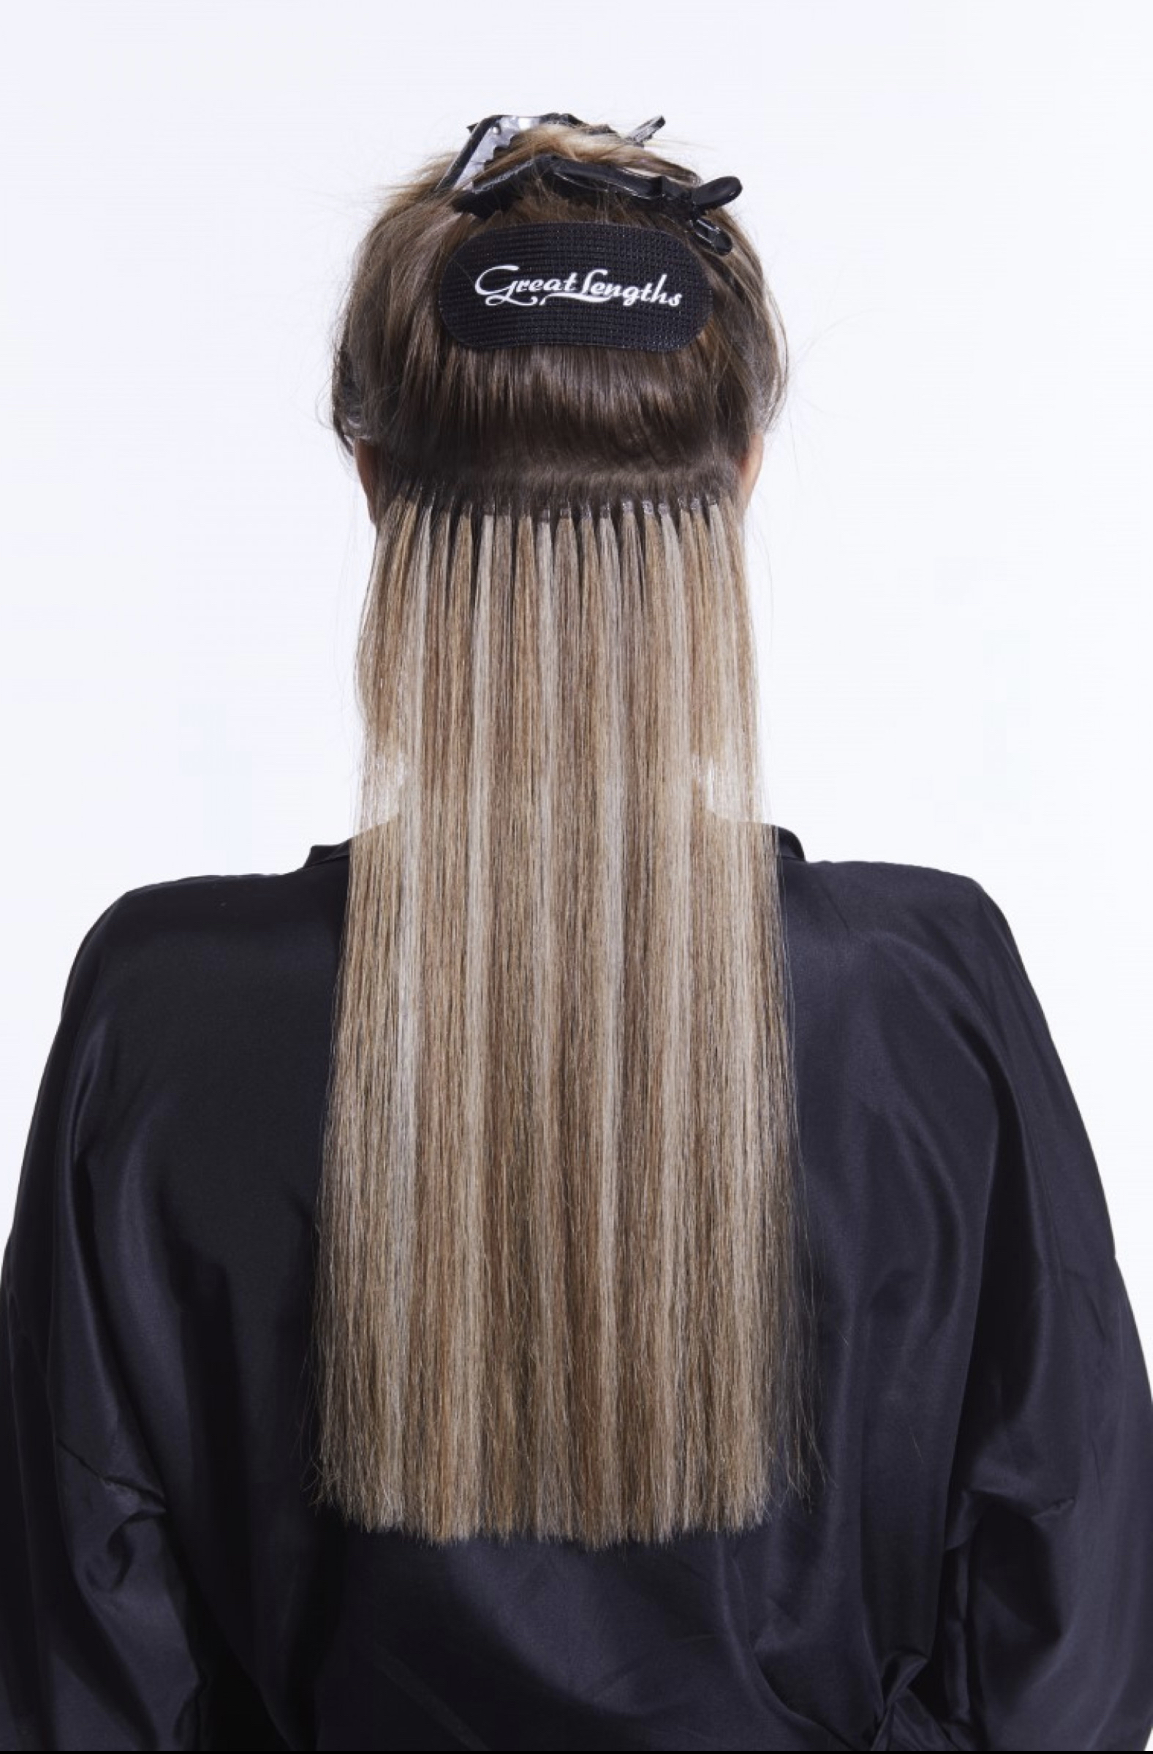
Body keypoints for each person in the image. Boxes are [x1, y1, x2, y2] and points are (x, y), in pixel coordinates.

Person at [1, 111, 1151, 1752]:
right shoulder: (921, 1000)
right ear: (740, 478)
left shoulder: (164, 1018)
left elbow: (82, 1685)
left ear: (374, 482)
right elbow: (1066, 1666)